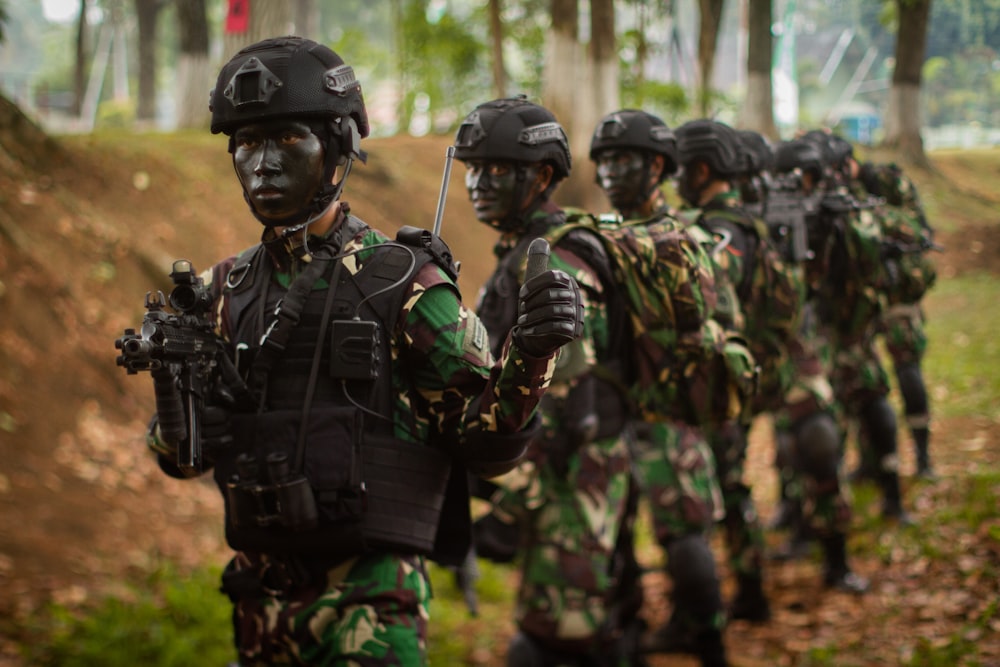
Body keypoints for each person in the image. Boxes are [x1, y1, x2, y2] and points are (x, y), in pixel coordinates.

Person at [137, 37, 584, 666]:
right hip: (259, 607)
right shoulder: (220, 292)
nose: (262, 163)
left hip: (371, 610)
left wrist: (533, 355)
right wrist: (181, 426)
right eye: (246, 143)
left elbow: (486, 443)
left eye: (288, 139)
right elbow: (176, 457)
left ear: (339, 148)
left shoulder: (405, 283)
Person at [454, 97, 654, 666]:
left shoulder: (556, 257)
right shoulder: (526, 249)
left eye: (496, 170)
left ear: (541, 176)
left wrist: (511, 513)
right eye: (472, 169)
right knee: (602, 615)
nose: (477, 183)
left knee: (553, 638)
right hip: (582, 471)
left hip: (577, 476)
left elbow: (568, 408)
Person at [588, 109, 731, 663]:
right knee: (630, 540)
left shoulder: (631, 239)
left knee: (684, 538)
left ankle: (708, 644)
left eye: (622, 160)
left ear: (657, 166)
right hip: (631, 414)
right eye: (603, 162)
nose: (609, 173)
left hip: (661, 412)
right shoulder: (696, 234)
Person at [671, 118, 808, 619]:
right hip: (735, 375)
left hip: (718, 381)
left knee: (718, 489)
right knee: (728, 484)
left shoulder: (723, 228)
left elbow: (710, 286)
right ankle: (746, 591)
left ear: (702, 169)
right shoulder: (739, 220)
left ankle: (730, 598)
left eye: (681, 169)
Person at [849, 153, 938, 478]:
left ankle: (923, 457)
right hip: (863, 299)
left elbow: (918, 232)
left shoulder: (885, 183)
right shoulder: (839, 187)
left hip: (897, 296)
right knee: (863, 382)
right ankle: (871, 460)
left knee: (907, 372)